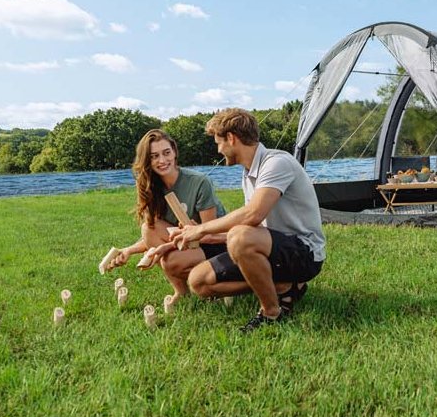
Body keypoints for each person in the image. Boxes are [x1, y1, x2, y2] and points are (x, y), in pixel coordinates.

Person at [170, 108, 326, 332]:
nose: (218, 149)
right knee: (199, 281)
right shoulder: (249, 173)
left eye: (218, 142)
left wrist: (201, 230)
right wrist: (205, 235)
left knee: (240, 236)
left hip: (305, 254)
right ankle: (283, 286)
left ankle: (271, 312)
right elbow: (251, 229)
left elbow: (253, 215)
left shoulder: (277, 163)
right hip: (270, 249)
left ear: (231, 138)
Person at [105, 128, 227, 301]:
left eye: (166, 153)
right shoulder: (151, 187)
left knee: (169, 261)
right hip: (188, 241)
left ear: (175, 152)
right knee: (148, 228)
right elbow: (152, 236)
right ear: (147, 160)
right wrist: (128, 250)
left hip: (214, 243)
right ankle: (182, 291)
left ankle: (214, 280)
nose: (162, 160)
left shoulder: (199, 182)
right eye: (154, 156)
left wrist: (167, 248)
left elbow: (210, 234)